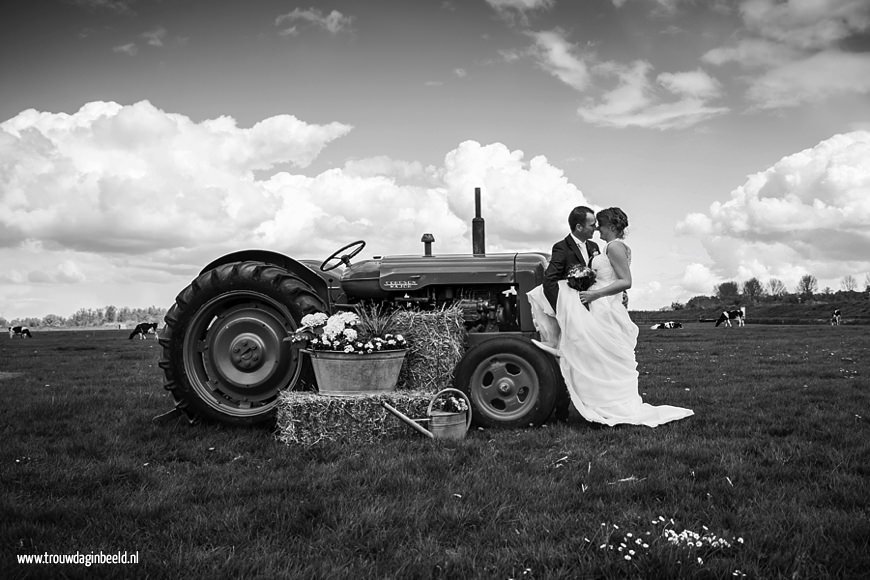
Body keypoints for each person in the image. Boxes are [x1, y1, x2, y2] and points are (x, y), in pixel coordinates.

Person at [528, 207, 693, 427]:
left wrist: (603, 293)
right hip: (592, 305)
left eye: (600, 225)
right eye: (592, 224)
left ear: (612, 227)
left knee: (602, 354)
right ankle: (593, 404)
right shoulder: (569, 247)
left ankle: (609, 405)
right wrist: (564, 308)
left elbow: (624, 279)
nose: (596, 229)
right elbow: (553, 281)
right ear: (579, 227)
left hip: (600, 304)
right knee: (594, 354)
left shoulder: (609, 247)